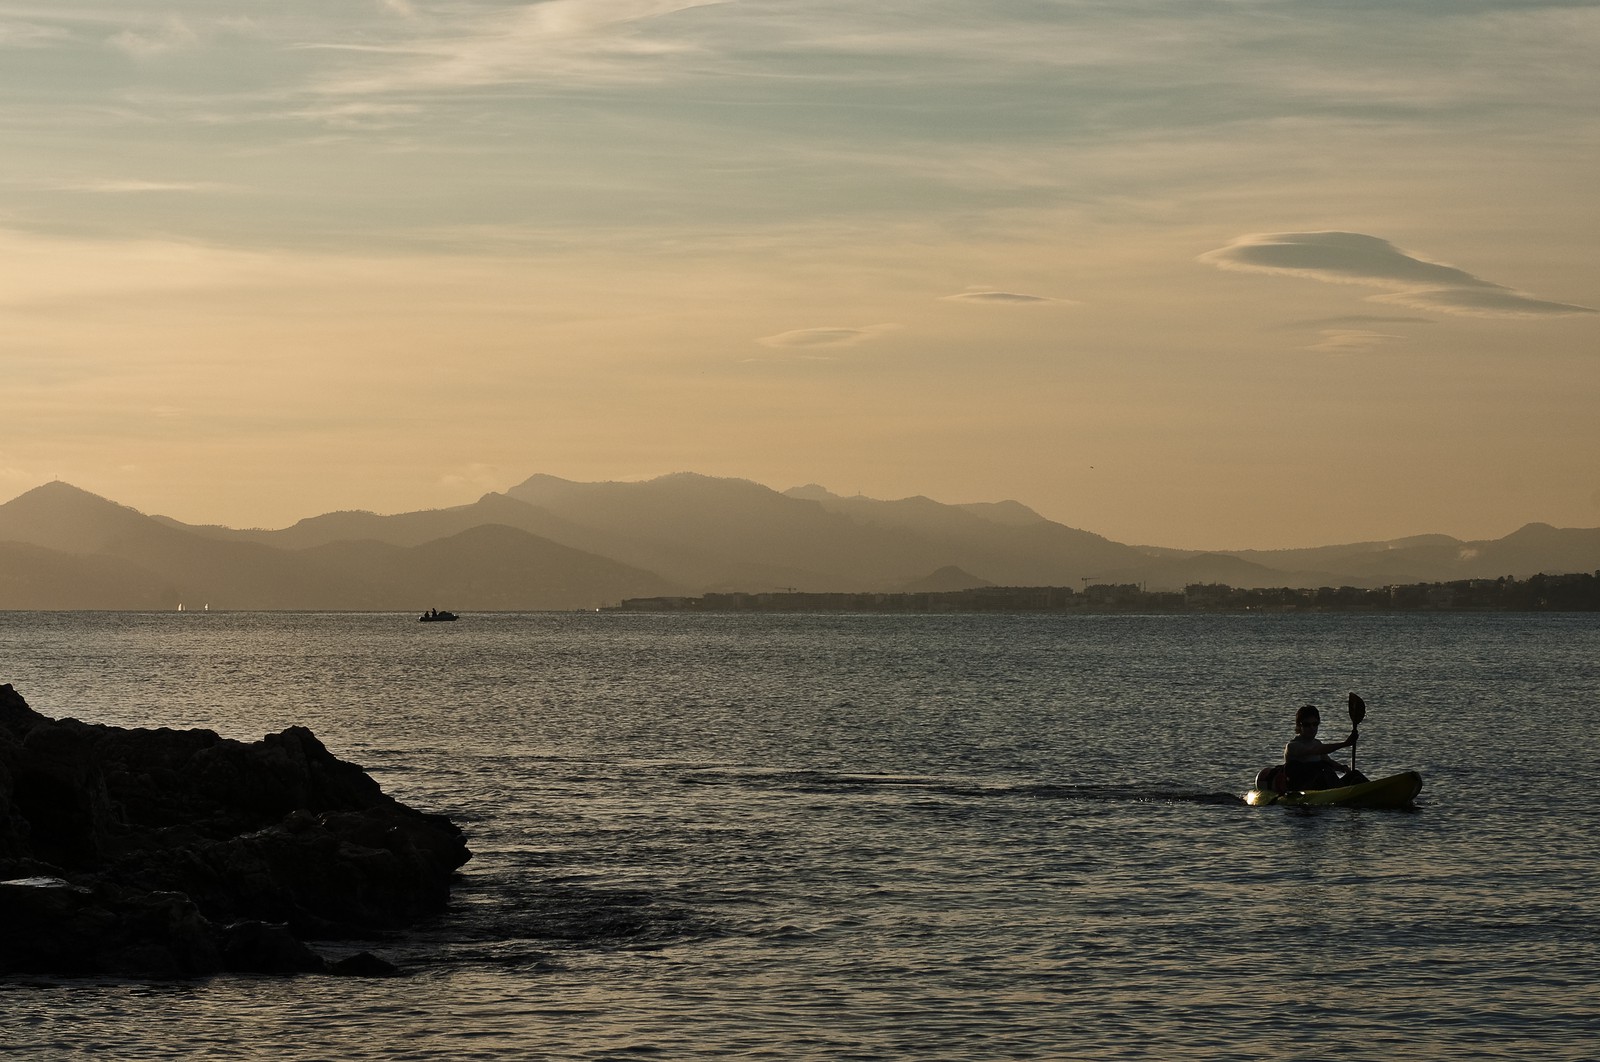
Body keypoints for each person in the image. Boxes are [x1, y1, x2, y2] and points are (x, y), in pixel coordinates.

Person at [1284, 704, 1367, 790]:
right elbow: (1315, 750)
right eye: (1307, 725)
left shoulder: (1317, 743)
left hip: (1322, 786)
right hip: (1303, 788)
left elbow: (1328, 761)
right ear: (1299, 726)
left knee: (1354, 774)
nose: (1312, 728)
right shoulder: (1292, 746)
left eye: (1315, 724)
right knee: (1326, 773)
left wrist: (1343, 768)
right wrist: (1345, 744)